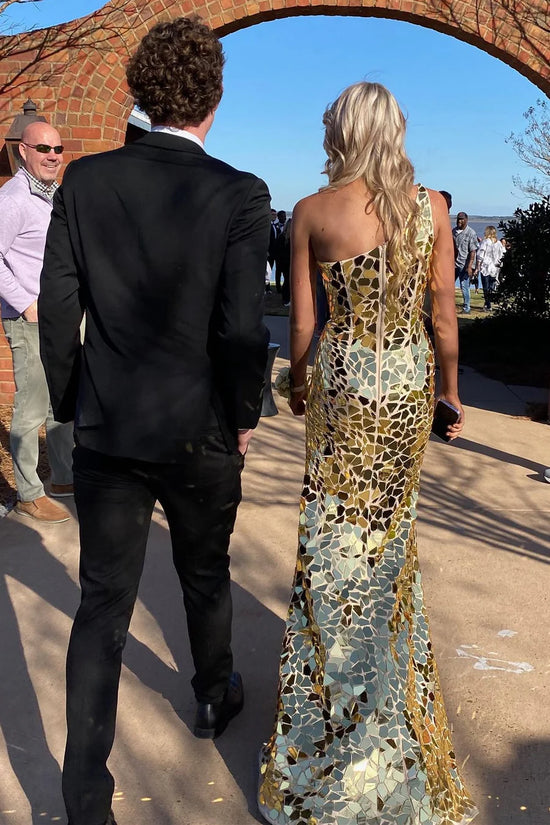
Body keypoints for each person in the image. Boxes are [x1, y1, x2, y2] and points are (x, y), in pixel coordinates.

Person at [38, 16, 270, 825]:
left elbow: (57, 309)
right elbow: (242, 328)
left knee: (103, 604)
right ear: (214, 98)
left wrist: (74, 403)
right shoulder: (240, 194)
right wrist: (243, 413)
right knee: (205, 572)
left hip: (109, 424)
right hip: (200, 425)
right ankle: (211, 694)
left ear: (139, 92)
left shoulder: (84, 182)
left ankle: (84, 799)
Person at [258, 82, 476, 825]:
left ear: (341, 131)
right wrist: (450, 390)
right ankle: (386, 703)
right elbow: (443, 315)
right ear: (396, 130)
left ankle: (332, 714)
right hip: (407, 380)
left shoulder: (312, 211)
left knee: (332, 534)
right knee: (390, 537)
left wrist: (296, 385)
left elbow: (302, 324)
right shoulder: (431, 207)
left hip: (346, 381)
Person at [0, 121, 74, 522]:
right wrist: (25, 303)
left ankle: (63, 478)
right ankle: (29, 493)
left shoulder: (56, 195)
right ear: (22, 151)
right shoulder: (12, 199)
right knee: (30, 409)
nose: (52, 155)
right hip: (29, 319)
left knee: (61, 400)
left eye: (57, 149)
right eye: (43, 148)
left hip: (60, 317)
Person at [452, 211, 478, 313]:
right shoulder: (453, 231)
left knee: (464, 286)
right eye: (458, 219)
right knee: (449, 285)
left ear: (466, 220)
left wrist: (470, 266)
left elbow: (473, 251)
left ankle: (467, 308)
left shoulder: (471, 233)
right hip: (454, 264)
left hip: (465, 264)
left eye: (462, 219)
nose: (459, 221)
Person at [474, 225, 504, 310]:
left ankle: (488, 304)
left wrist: (478, 266)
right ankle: (488, 302)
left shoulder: (485, 242)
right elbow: (502, 255)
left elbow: (480, 255)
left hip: (485, 267)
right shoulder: (499, 243)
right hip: (495, 268)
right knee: (491, 286)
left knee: (485, 287)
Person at [274, 209, 288, 296]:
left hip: (285, 252)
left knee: (286, 271)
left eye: (285, 217)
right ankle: (278, 287)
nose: (284, 218)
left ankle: (285, 286)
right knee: (278, 270)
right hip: (277, 253)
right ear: (278, 217)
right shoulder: (275, 227)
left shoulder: (288, 227)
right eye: (282, 217)